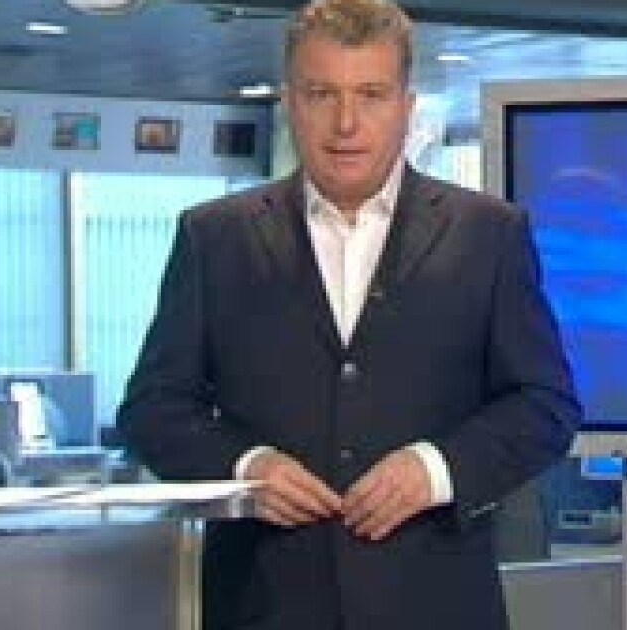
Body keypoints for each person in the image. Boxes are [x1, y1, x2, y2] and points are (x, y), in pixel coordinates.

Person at [115, 1, 580, 628]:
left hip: (435, 607)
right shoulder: (214, 238)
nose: (346, 123)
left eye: (371, 95)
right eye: (321, 94)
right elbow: (152, 409)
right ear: (290, 103)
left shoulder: (488, 235)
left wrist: (437, 469)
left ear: (407, 108)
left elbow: (545, 405)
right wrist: (245, 469)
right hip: (265, 606)